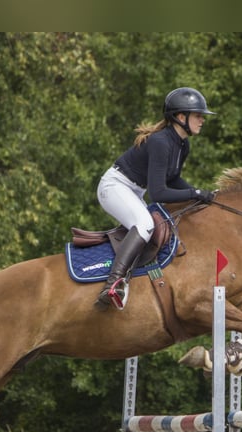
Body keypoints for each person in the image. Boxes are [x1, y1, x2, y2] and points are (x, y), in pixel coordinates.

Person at [95, 87, 217, 309]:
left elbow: (173, 179)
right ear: (181, 117)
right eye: (198, 115)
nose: (202, 120)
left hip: (133, 190)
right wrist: (194, 193)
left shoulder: (182, 144)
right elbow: (159, 193)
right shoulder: (160, 142)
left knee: (159, 226)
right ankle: (112, 284)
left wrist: (200, 196)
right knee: (144, 224)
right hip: (114, 187)